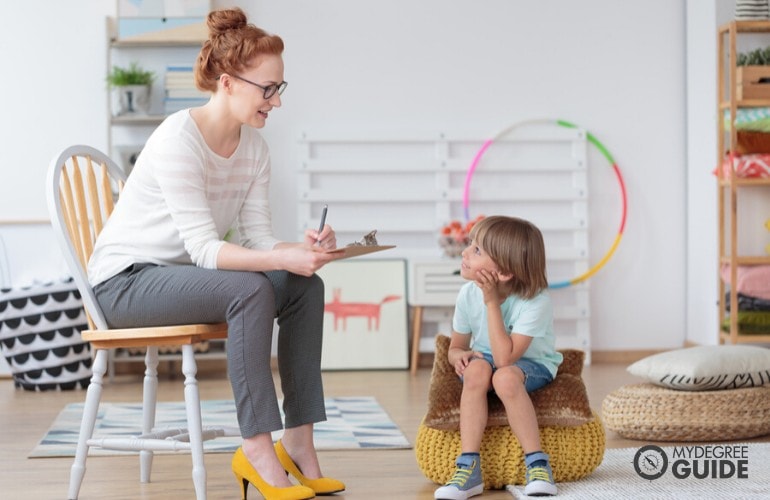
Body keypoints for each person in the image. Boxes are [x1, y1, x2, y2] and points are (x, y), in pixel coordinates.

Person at [88, 7, 344, 500]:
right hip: (123, 283)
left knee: (303, 286)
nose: (277, 101)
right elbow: (206, 250)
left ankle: (299, 442)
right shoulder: (177, 140)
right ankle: (256, 449)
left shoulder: (255, 150)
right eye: (267, 88)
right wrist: (278, 259)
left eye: (279, 88)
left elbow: (256, 240)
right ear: (227, 82)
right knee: (250, 290)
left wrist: (299, 250)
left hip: (180, 277)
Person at [434, 216, 563, 499]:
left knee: (504, 378)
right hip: (487, 359)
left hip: (532, 364)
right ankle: (468, 468)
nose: (465, 253)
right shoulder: (467, 294)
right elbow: (455, 346)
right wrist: (459, 356)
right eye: (470, 245)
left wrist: (491, 303)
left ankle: (538, 463)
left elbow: (505, 359)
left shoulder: (535, 301)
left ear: (504, 272)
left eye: (477, 250)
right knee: (476, 372)